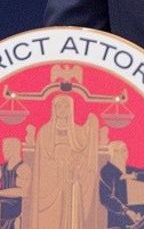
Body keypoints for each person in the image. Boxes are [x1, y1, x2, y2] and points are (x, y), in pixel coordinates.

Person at [29, 94, 101, 228]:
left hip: (70, 183)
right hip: (51, 186)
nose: (62, 110)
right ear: (54, 109)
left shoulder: (78, 132)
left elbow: (84, 154)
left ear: (71, 109)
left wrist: (92, 127)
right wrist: (58, 167)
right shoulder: (44, 132)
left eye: (66, 106)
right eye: (59, 106)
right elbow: (42, 164)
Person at [99, 141, 144, 229]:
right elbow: (106, 198)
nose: (126, 153)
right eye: (123, 150)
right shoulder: (107, 171)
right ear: (115, 153)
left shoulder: (126, 169)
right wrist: (126, 211)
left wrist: (133, 176)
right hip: (117, 211)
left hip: (131, 207)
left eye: (126, 150)